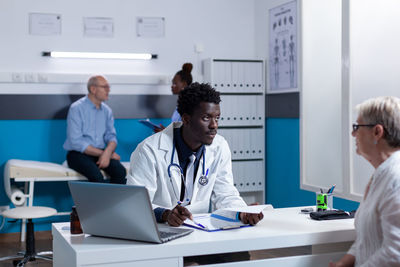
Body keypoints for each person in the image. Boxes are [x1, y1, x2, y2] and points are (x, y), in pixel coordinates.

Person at [127, 82, 263, 227]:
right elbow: (136, 205)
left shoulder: (219, 147)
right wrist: (166, 214)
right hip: (160, 230)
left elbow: (225, 192)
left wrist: (241, 212)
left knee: (240, 251)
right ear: (186, 119)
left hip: (200, 229)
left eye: (217, 118)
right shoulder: (149, 150)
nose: (214, 125)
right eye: (206, 118)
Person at [330, 96, 400, 267]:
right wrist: (344, 263)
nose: (353, 134)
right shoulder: (380, 175)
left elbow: (395, 253)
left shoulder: (395, 179)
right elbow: (367, 239)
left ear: (377, 132)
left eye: (357, 127)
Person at [63, 75, 126, 184]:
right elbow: (76, 142)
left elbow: (111, 137)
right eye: (105, 87)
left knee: (120, 172)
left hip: (101, 153)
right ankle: (98, 202)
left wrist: (107, 153)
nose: (108, 90)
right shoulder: (76, 108)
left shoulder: (107, 111)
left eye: (108, 87)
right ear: (93, 89)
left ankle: (113, 201)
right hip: (78, 154)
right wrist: (106, 154)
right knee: (96, 176)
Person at [154, 63, 193, 132]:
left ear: (184, 84)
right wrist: (165, 131)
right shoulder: (180, 105)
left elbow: (187, 132)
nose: (172, 86)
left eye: (175, 83)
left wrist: (166, 132)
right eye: (172, 83)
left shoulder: (190, 105)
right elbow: (177, 129)